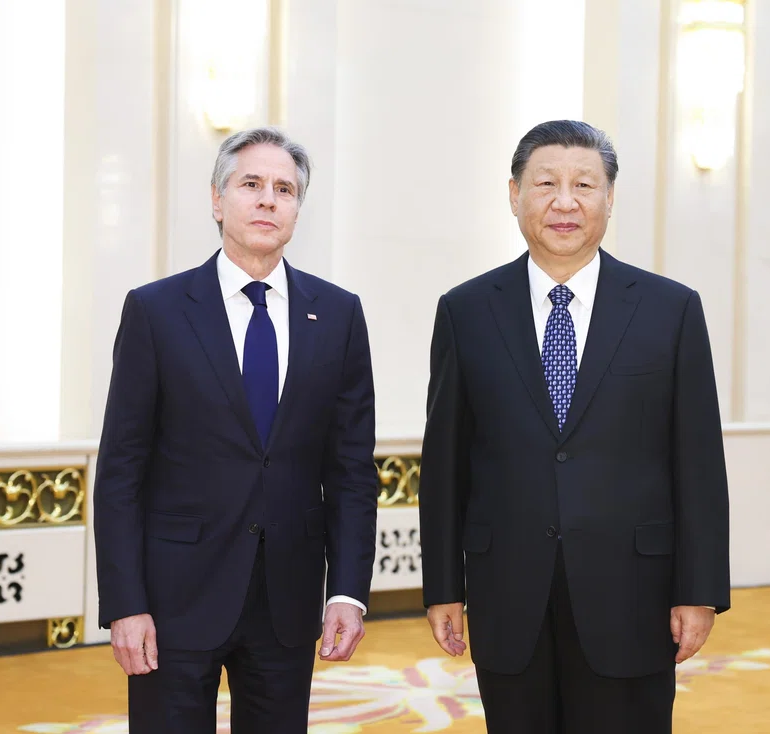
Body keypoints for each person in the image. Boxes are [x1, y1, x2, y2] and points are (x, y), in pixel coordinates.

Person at [419, 120, 730, 733]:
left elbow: (697, 461)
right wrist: (442, 586)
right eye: (546, 184)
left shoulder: (670, 310)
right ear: (514, 195)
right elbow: (446, 463)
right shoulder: (466, 311)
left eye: (585, 184)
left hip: (632, 594)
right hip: (508, 589)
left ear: (610, 198)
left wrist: (699, 588)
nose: (566, 202)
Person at [93, 126, 378, 733]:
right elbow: (121, 469)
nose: (268, 200)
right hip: (172, 601)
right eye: (251, 184)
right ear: (218, 201)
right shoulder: (156, 310)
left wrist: (348, 591)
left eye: (285, 189)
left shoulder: (338, 314)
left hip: (288, 601)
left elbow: (352, 471)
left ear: (299, 208)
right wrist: (125, 603)